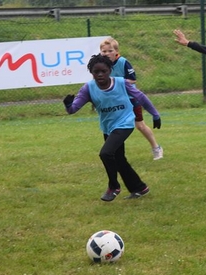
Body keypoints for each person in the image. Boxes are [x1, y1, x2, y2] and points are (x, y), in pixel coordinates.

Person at [63, 54, 162, 202]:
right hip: (108, 127)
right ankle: (139, 188)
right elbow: (73, 110)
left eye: (103, 71)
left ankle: (113, 186)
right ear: (92, 73)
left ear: (110, 70)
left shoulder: (122, 83)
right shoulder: (88, 88)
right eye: (96, 72)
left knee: (105, 153)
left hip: (125, 123)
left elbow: (141, 97)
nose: (100, 74)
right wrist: (68, 104)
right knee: (119, 159)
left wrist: (155, 114)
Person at [100, 37, 163, 160]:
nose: (106, 54)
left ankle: (156, 147)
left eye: (110, 51)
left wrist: (116, 82)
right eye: (104, 51)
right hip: (115, 101)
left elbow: (133, 79)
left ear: (116, 51)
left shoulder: (123, 62)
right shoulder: (101, 64)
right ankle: (115, 154)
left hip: (130, 98)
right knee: (113, 127)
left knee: (140, 126)